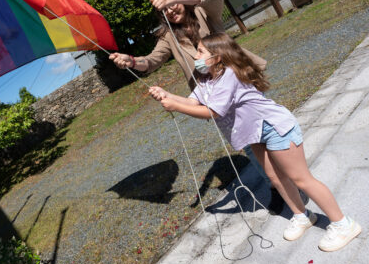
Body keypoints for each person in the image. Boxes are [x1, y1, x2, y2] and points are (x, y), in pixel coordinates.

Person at [148, 32, 362, 251]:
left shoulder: (229, 75)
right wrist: (168, 95)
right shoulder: (206, 79)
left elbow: (214, 111)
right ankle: (302, 215)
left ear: (218, 56)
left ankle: (343, 224)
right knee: (276, 178)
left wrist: (175, 107)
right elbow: (192, 101)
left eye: (201, 51)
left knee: (301, 179)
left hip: (274, 127)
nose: (196, 55)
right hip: (254, 134)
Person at [109, 0, 288, 213]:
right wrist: (132, 61)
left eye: (173, 4)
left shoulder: (204, 11)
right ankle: (274, 186)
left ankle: (289, 169)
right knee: (247, 141)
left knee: (266, 127)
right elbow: (151, 61)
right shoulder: (168, 36)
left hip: (238, 80)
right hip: (211, 91)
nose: (171, 11)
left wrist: (170, 0)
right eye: (165, 10)